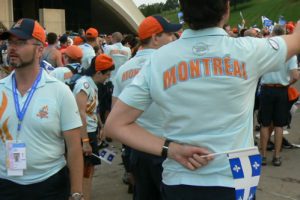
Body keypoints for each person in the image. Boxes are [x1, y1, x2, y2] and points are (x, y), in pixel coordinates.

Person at [104, 0, 300, 199]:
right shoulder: (248, 49)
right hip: (236, 175)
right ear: (226, 10)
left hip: (180, 177)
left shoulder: (158, 60)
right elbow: (297, 39)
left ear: (184, 13)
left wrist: (169, 149)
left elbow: (114, 125)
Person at [0, 18, 84, 200]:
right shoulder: (0, 89)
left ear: (40, 49)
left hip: (49, 185)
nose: (12, 48)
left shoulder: (59, 91)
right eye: (10, 42)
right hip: (5, 184)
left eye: (20, 42)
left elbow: (74, 148)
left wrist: (76, 193)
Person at [112, 15, 182, 199]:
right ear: (155, 38)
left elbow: (115, 111)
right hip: (168, 147)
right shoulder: (172, 64)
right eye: (169, 34)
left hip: (138, 148)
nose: (173, 38)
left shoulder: (124, 69)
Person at [73, 54, 115, 200]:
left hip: (90, 132)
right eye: (107, 74)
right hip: (83, 134)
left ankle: (86, 195)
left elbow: (92, 110)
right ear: (98, 72)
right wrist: (85, 141)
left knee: (89, 169)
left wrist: (101, 126)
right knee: (85, 169)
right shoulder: (83, 85)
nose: (108, 78)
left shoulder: (93, 85)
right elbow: (80, 113)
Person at [259, 25, 300, 166]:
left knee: (264, 124)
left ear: (272, 34)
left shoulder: (264, 50)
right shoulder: (290, 52)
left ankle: (262, 156)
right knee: (279, 125)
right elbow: (295, 75)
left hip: (266, 89)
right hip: (281, 90)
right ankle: (276, 157)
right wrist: (287, 83)